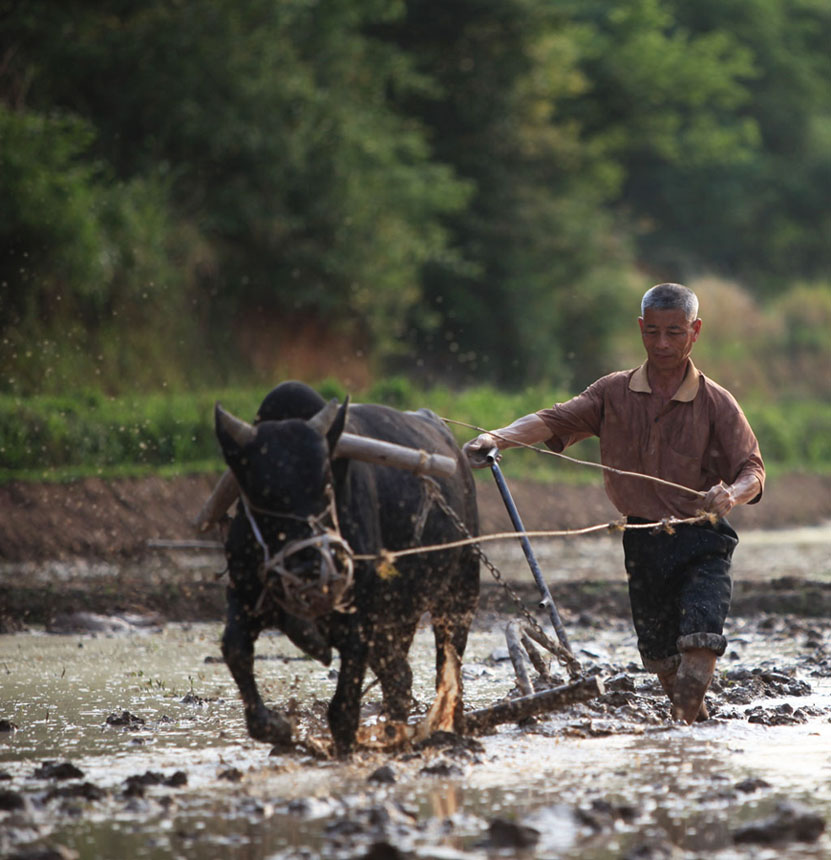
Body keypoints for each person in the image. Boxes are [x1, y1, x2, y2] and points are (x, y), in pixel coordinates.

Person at [463, 283, 765, 724]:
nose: (662, 344)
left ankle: (684, 738)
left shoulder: (716, 403)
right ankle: (695, 736)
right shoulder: (612, 393)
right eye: (654, 332)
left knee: (700, 642)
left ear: (695, 331)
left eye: (675, 333)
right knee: (663, 662)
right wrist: (494, 438)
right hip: (642, 541)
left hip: (702, 540)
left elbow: (753, 471)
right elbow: (550, 420)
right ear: (641, 329)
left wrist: (731, 493)